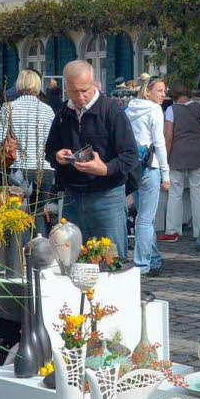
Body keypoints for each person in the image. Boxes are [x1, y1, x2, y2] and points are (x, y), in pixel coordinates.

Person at [45, 60, 139, 257]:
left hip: (107, 195)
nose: (80, 97)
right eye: (73, 91)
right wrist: (57, 156)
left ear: (94, 83)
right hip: (73, 196)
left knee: (111, 259)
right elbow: (49, 150)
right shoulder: (63, 113)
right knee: (73, 260)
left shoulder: (111, 110)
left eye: (84, 90)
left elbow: (131, 156)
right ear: (66, 87)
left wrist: (104, 168)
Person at [0, 69, 56, 238]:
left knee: (15, 214)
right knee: (40, 214)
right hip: (44, 169)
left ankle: (17, 254)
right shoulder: (47, 110)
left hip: (17, 168)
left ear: (19, 84)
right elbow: (53, 140)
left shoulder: (9, 108)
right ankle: (39, 254)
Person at [126, 76, 171, 277]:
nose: (164, 95)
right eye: (160, 91)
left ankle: (153, 259)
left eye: (164, 91)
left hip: (133, 167)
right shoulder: (154, 110)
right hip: (150, 166)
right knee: (145, 219)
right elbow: (159, 142)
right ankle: (142, 264)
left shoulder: (128, 110)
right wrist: (165, 172)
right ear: (148, 92)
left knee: (142, 217)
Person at [159, 80, 200, 244]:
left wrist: (164, 159)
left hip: (177, 155)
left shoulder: (171, 110)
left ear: (174, 94)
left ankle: (173, 231)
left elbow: (169, 136)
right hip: (197, 154)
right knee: (198, 193)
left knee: (175, 194)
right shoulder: (199, 108)